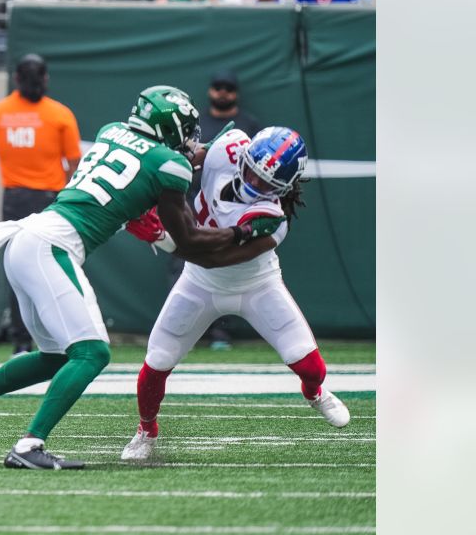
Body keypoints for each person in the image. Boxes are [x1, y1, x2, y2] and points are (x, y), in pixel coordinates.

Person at [0, 86, 285, 469]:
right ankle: (28, 446)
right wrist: (242, 233)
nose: (190, 140)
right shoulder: (169, 164)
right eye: (186, 130)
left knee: (55, 356)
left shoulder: (111, 132)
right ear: (168, 128)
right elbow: (191, 239)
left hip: (26, 240)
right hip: (52, 247)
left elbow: (145, 176)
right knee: (93, 352)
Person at [120, 126, 351, 462]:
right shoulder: (227, 147)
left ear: (286, 186)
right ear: (243, 157)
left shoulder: (274, 220)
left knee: (311, 365)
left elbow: (216, 258)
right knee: (156, 362)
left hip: (256, 284)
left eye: (266, 183)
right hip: (198, 282)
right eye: (253, 173)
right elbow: (183, 161)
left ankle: (314, 393)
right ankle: (146, 430)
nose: (254, 185)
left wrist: (164, 237)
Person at [0, 55, 82, 352]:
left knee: (18, 269)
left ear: (16, 80)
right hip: (50, 199)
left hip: (14, 199)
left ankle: (21, 341)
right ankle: (60, 336)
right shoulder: (60, 114)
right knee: (54, 267)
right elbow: (74, 161)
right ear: (46, 79)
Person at [199, 70, 260, 138]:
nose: (223, 92)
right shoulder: (197, 123)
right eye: (218, 87)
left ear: (236, 93)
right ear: (210, 91)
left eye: (229, 88)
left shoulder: (250, 125)